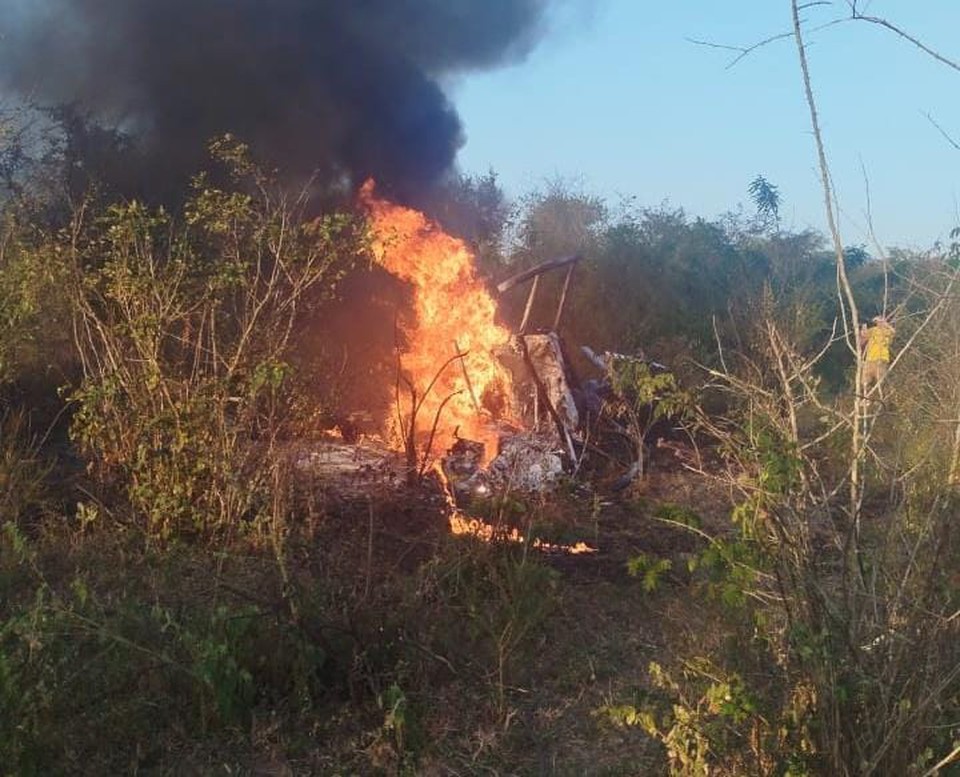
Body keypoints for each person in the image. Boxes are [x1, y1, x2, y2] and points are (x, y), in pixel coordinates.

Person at [859, 315, 895, 393]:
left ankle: (881, 395)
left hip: (881, 358)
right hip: (870, 359)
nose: (878, 323)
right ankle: (866, 396)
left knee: (880, 381)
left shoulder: (887, 331)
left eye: (879, 321)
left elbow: (893, 332)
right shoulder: (873, 330)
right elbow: (862, 341)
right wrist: (863, 330)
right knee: (865, 381)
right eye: (876, 322)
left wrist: (886, 324)